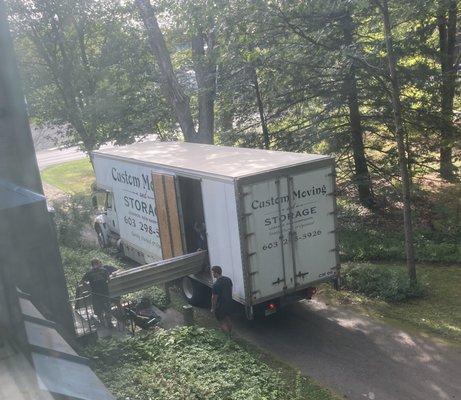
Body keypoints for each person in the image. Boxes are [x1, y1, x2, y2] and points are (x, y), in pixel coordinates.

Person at [81, 259, 111, 326]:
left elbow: (83, 282)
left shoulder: (89, 273)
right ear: (97, 264)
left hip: (97, 294)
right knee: (106, 309)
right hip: (103, 293)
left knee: (100, 309)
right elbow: (109, 280)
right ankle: (108, 323)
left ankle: (105, 323)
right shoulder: (103, 270)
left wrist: (88, 288)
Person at [211, 265, 233, 335]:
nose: (212, 274)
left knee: (221, 322)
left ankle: (228, 337)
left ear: (216, 273)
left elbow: (214, 298)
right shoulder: (228, 279)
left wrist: (213, 308)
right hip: (229, 303)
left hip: (221, 306)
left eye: (213, 272)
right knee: (228, 318)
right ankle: (230, 332)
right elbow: (231, 290)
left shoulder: (216, 285)